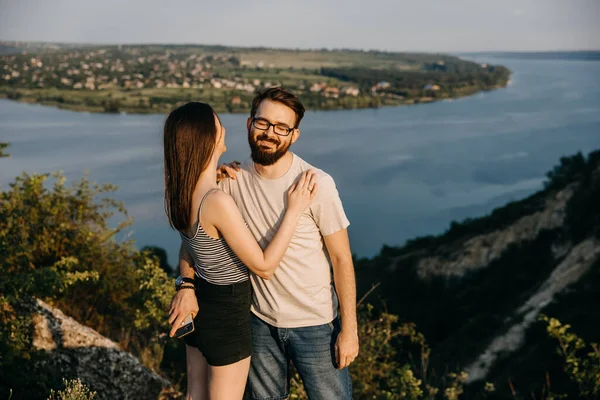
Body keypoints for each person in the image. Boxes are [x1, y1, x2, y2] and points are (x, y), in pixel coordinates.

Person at [174, 87, 359, 399]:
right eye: (263, 123)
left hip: (314, 324)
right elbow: (195, 240)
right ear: (249, 124)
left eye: (282, 127)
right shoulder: (229, 182)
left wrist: (350, 330)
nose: (270, 133)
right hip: (257, 322)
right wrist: (186, 285)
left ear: (294, 135)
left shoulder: (316, 183)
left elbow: (342, 259)